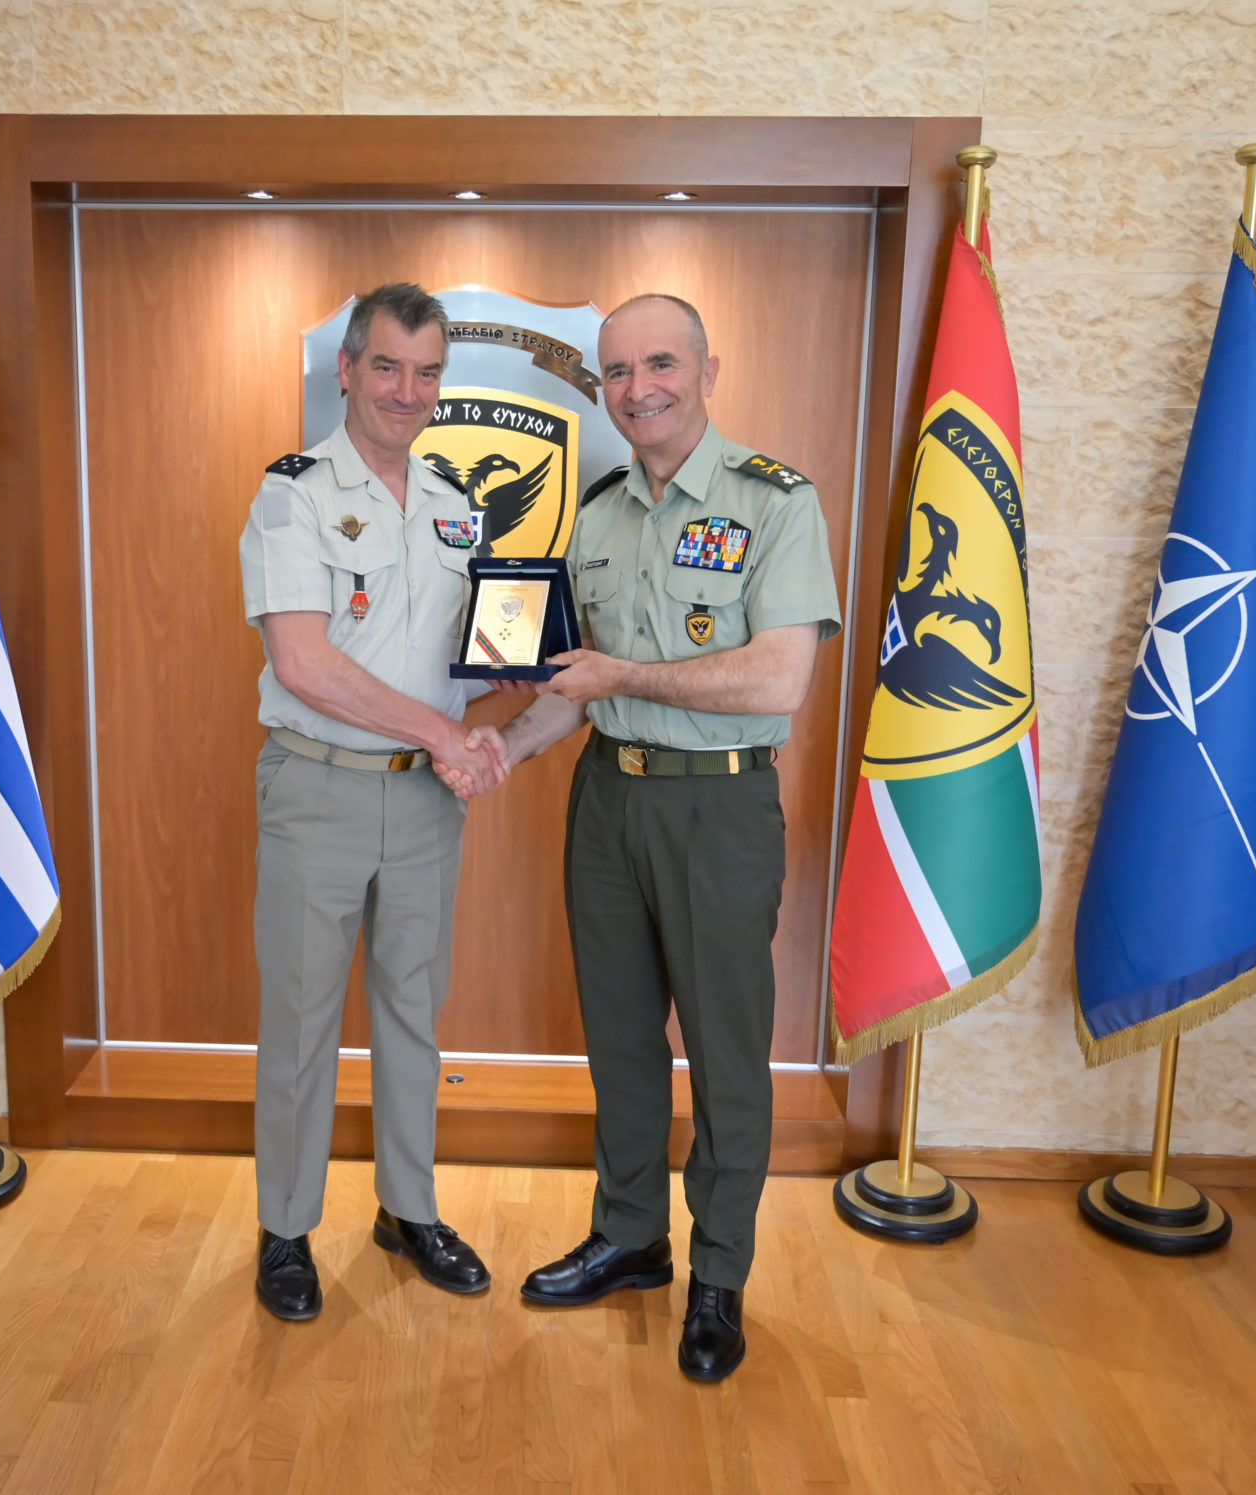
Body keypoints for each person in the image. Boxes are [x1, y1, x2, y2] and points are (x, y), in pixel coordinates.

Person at [440, 293, 842, 1381]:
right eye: (616, 371)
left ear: (708, 369)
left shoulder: (774, 502)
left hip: (717, 808)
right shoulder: (600, 510)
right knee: (619, 1038)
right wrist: (498, 750)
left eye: (659, 363)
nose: (637, 388)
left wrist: (623, 673)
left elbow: (778, 677)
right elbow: (574, 686)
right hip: (607, 802)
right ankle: (629, 1235)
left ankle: (718, 1274)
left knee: (722, 1050)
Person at [239, 282, 508, 1321]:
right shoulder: (295, 495)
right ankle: (285, 1227)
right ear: (346, 370)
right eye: (387, 366)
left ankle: (409, 1208)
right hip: (320, 787)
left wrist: (529, 666)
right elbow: (304, 664)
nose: (407, 390)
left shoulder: (452, 502)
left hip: (425, 799)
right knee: (301, 1021)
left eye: (427, 371)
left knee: (412, 1012)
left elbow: (468, 654)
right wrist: (443, 732)